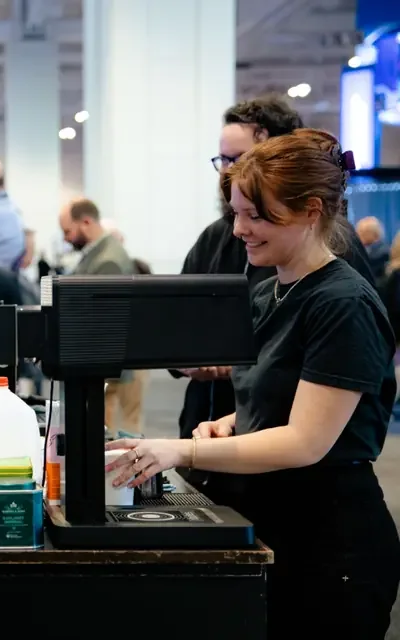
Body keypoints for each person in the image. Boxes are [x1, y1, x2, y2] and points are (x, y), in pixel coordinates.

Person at [106, 129, 400, 639]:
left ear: (311, 211)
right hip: (273, 521)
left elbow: (307, 440)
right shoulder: (271, 293)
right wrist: (232, 421)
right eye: (237, 213)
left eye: (256, 216)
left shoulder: (342, 304)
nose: (239, 229)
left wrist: (181, 452)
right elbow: (282, 397)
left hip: (330, 541)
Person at [174, 96, 377, 442]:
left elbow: (305, 434)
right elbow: (175, 320)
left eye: (239, 159)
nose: (228, 170)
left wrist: (185, 452)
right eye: (222, 160)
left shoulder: (342, 290)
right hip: (224, 437)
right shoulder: (226, 247)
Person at [60, 199, 141, 432]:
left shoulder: (108, 260)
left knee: (105, 431)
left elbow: (106, 322)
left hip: (104, 368)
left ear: (86, 222)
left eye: (68, 231)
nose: (66, 238)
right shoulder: (98, 254)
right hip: (98, 364)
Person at [355, 216, 389, 281]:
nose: (358, 235)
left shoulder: (383, 252)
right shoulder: (360, 249)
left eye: (362, 232)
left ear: (374, 233)